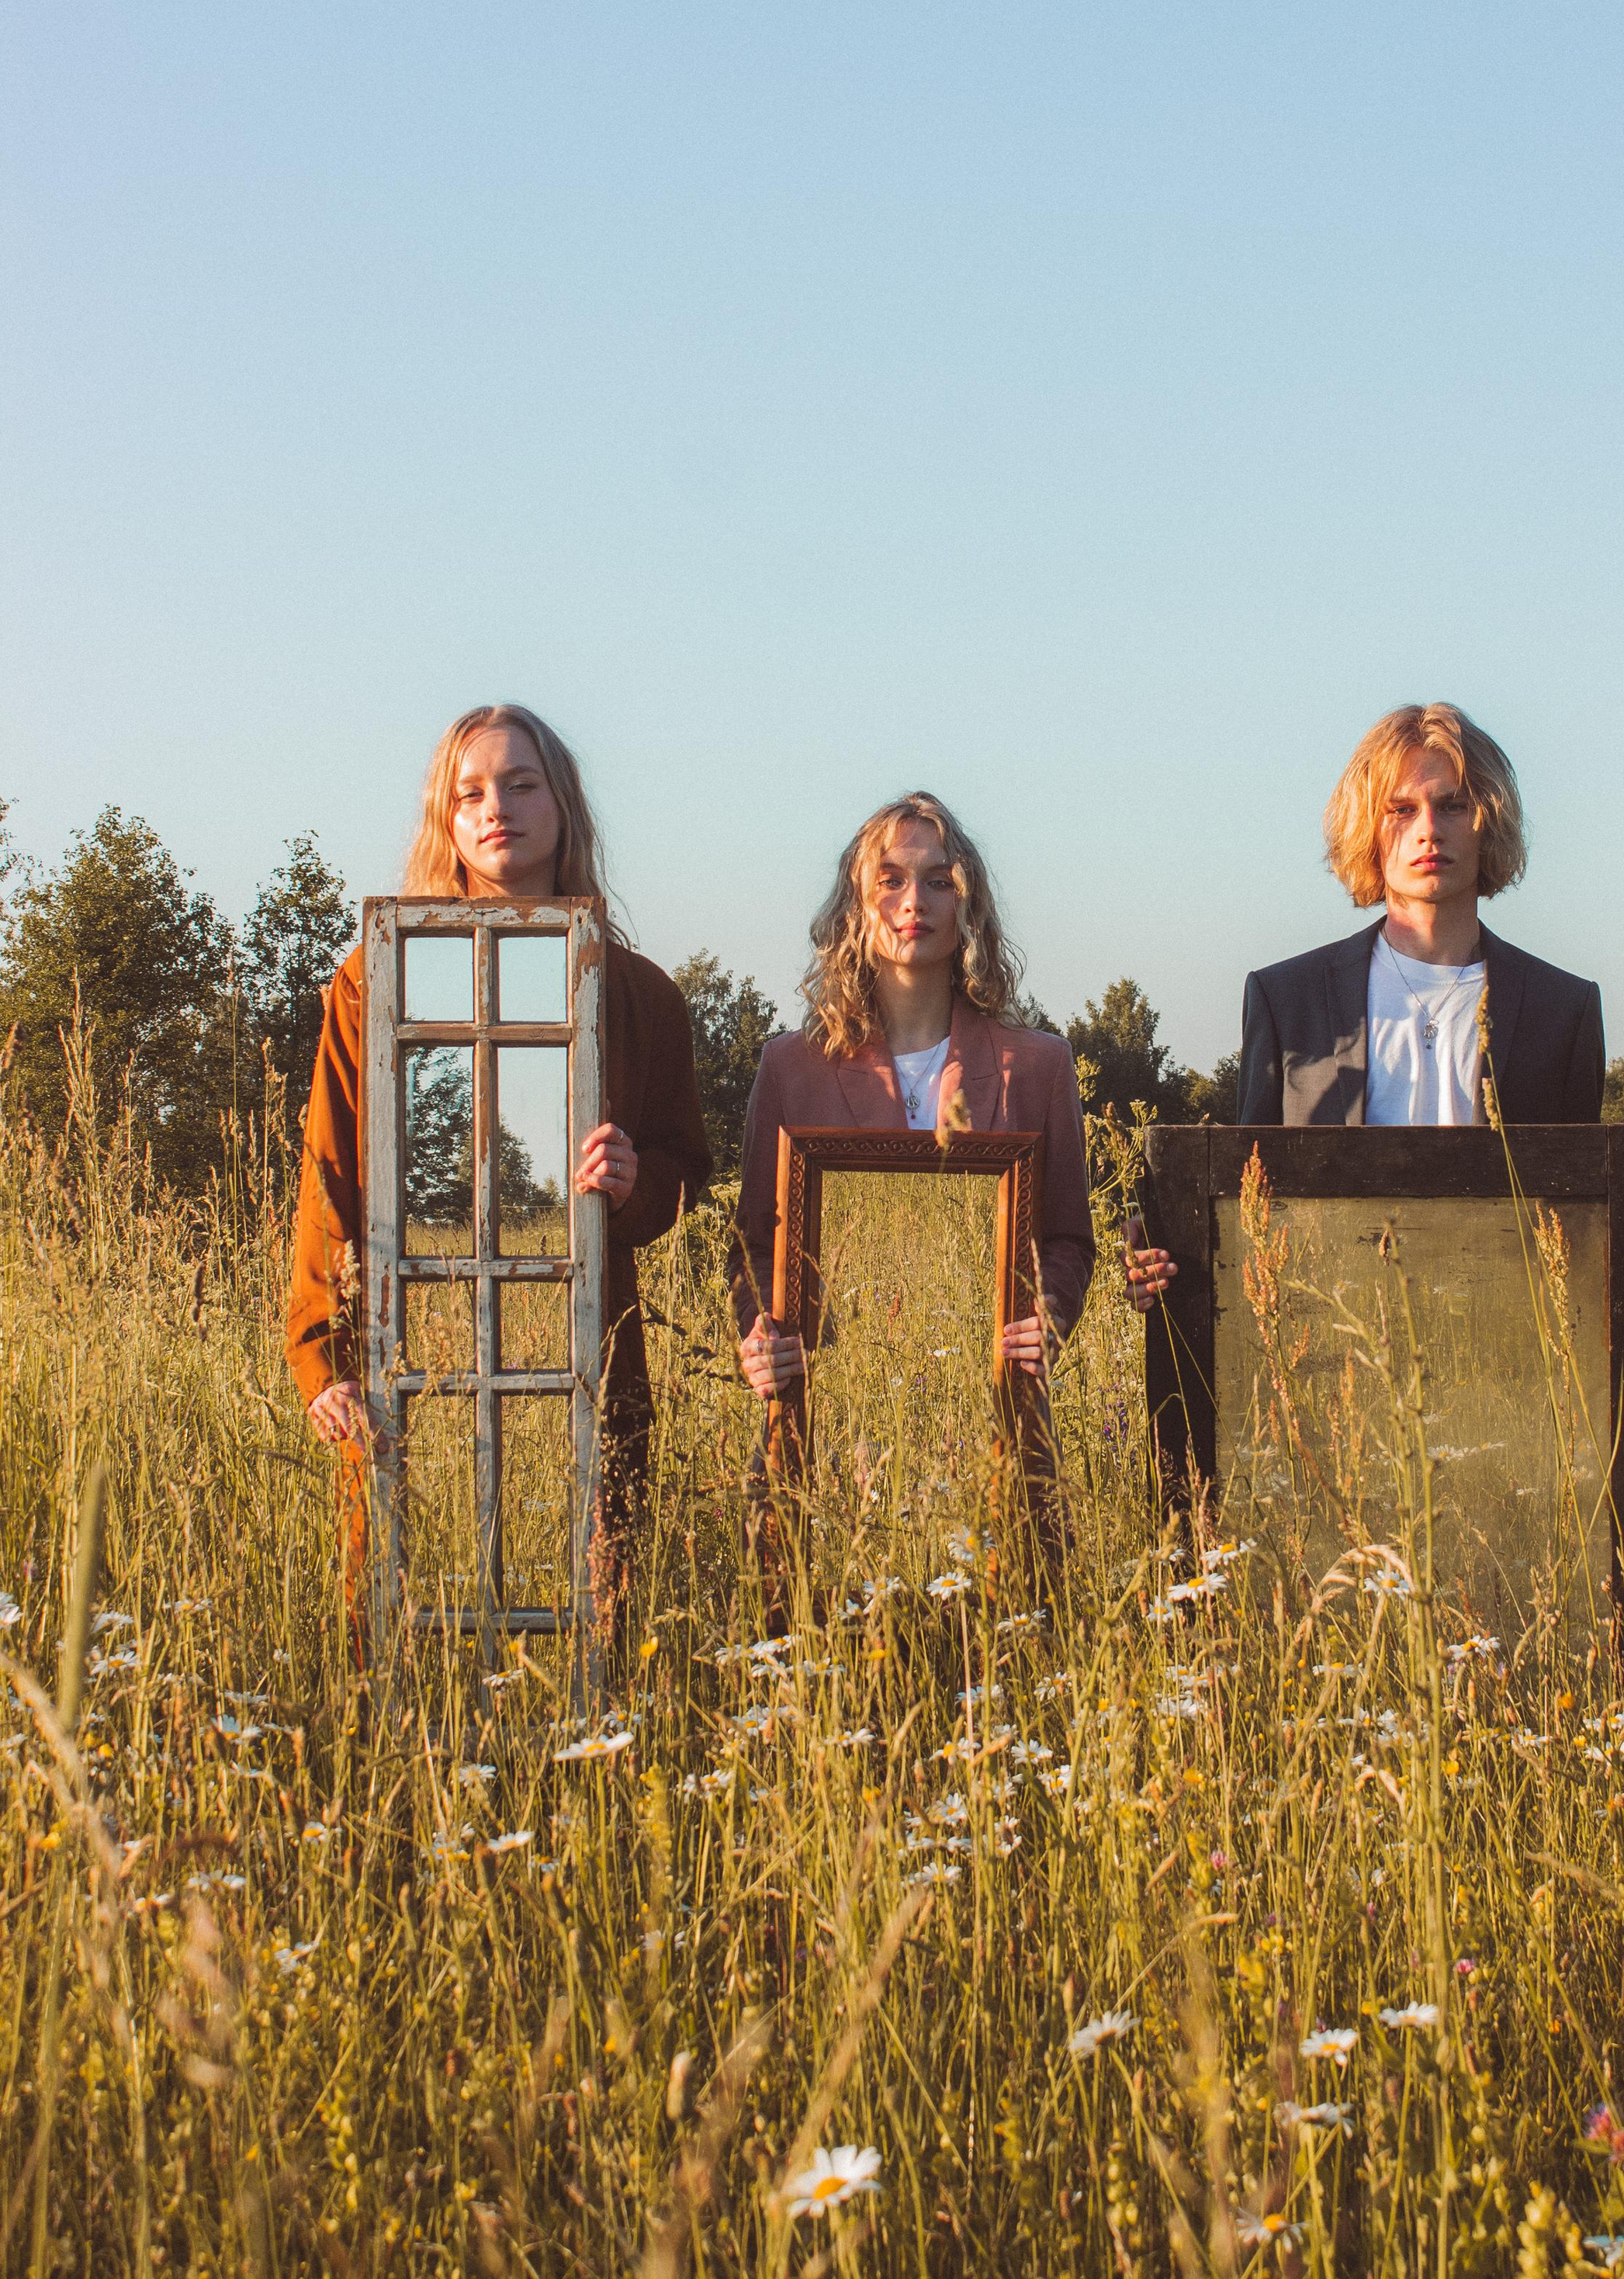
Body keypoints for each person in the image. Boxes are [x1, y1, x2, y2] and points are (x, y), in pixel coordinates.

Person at [286, 704, 712, 1648]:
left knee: (595, 1615)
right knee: (403, 1620)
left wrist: (637, 1180)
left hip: (587, 1343)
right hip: (417, 1348)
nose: (496, 808)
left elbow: (686, 1174)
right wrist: (325, 1356)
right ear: (445, 815)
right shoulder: (374, 981)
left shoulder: (639, 995)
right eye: (469, 791)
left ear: (563, 804)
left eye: (522, 784)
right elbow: (331, 1174)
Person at [1126, 704, 1624, 1315]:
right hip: (1330, 1345)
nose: (1429, 830)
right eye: (1401, 809)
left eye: (1452, 805)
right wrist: (1164, 1256)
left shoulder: (1564, 1007)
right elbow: (1245, 1205)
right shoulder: (1286, 998)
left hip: (1503, 1348)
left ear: (1487, 820)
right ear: (1370, 827)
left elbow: (1585, 1220)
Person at [732, 791, 1094, 1401]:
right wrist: (759, 1333)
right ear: (856, 904)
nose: (913, 903)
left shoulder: (1039, 1066)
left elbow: (1067, 1241)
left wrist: (1049, 1317)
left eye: (938, 882)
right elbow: (754, 1247)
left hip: (996, 1408)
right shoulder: (791, 1067)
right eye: (890, 880)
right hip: (825, 1410)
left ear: (969, 905)